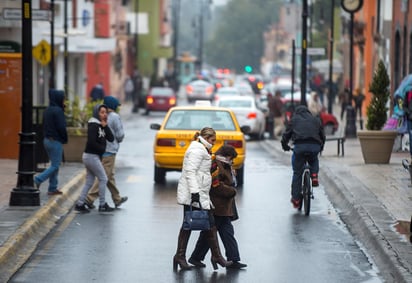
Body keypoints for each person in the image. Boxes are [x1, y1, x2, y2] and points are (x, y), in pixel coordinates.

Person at [173, 127, 232, 271]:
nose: (213, 143)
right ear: (205, 138)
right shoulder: (197, 150)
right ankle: (182, 256)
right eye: (212, 140)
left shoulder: (202, 149)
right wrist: (194, 193)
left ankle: (215, 256)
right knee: (190, 225)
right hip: (194, 193)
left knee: (208, 224)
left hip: (201, 193)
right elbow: (190, 172)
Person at [188, 145, 247, 269]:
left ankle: (231, 259)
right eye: (231, 158)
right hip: (216, 206)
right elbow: (215, 185)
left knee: (217, 233)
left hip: (224, 207)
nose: (232, 161)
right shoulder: (215, 164)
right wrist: (232, 191)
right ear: (226, 156)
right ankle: (198, 257)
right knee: (211, 234)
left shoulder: (226, 165)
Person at [83, 96, 128, 210]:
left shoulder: (100, 116)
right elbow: (120, 135)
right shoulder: (114, 117)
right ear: (113, 106)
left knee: (110, 176)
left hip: (101, 150)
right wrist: (119, 140)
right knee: (104, 177)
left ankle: (117, 198)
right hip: (110, 151)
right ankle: (89, 199)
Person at [281, 105, 325, 209]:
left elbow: (286, 135)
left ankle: (296, 199)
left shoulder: (294, 120)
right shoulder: (316, 120)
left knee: (297, 172)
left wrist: (285, 146)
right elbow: (322, 136)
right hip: (314, 146)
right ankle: (314, 175)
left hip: (300, 147)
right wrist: (321, 147)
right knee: (314, 159)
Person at [74, 104, 115, 213]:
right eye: (102, 112)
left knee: (89, 181)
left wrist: (105, 126)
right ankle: (102, 204)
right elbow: (92, 142)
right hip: (91, 156)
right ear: (97, 113)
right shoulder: (93, 125)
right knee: (103, 178)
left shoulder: (101, 125)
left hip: (92, 156)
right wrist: (102, 149)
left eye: (106, 112)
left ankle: (80, 203)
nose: (104, 114)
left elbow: (111, 138)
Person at [34, 89, 68, 195]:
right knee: (55, 165)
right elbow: (61, 127)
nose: (64, 101)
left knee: (54, 164)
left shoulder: (48, 110)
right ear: (58, 99)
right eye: (63, 99)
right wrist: (65, 139)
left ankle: (52, 188)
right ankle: (38, 179)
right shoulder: (57, 111)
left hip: (47, 140)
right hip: (55, 141)